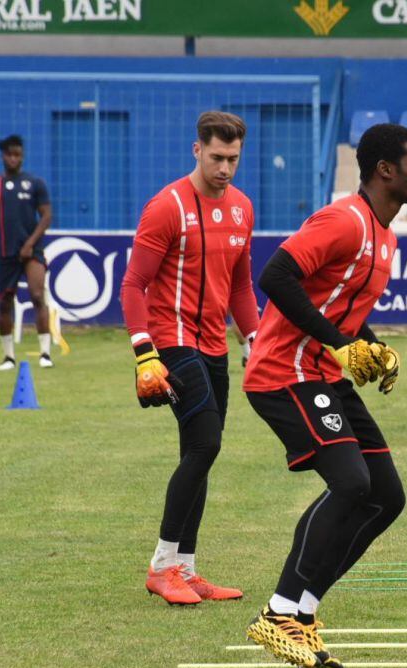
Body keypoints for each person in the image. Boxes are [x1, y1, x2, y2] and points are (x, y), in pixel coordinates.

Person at [241, 123, 407, 668]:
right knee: (351, 483)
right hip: (283, 372)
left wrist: (373, 348)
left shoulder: (385, 235)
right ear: (386, 171)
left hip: (324, 374)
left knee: (386, 496)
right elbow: (275, 275)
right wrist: (340, 345)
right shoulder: (343, 219)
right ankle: (277, 614)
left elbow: (342, 307)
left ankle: (302, 614)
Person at [119, 111, 260, 606]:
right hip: (171, 341)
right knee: (205, 444)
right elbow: (134, 284)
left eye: (234, 159)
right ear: (197, 150)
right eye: (217, 157)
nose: (226, 168)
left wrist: (255, 337)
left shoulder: (243, 208)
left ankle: (187, 568)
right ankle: (162, 567)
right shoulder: (167, 206)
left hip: (215, 345)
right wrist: (144, 353)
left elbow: (241, 284)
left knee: (199, 453)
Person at [0, 135, 54, 370]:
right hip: (6, 252)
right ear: (3, 156)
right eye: (9, 154)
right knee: (5, 302)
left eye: (17, 154)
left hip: (32, 251)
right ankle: (8, 357)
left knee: (37, 295)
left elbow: (46, 215)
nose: (13, 158)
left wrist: (30, 243)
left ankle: (45, 353)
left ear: (22, 156)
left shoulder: (35, 183)